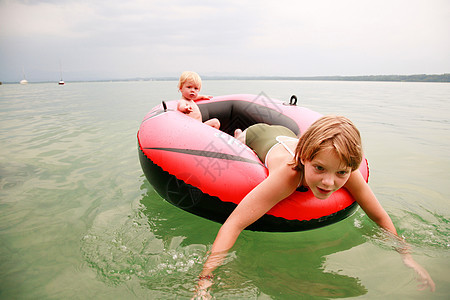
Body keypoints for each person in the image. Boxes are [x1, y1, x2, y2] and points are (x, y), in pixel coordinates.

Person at [195, 116, 435, 296]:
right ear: (304, 159)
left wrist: (407, 257)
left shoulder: (344, 168)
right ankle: (234, 132)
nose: (329, 182)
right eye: (319, 168)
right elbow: (234, 224)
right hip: (257, 135)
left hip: (286, 132)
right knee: (239, 139)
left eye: (340, 173)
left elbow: (380, 217)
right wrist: (205, 279)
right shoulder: (289, 175)